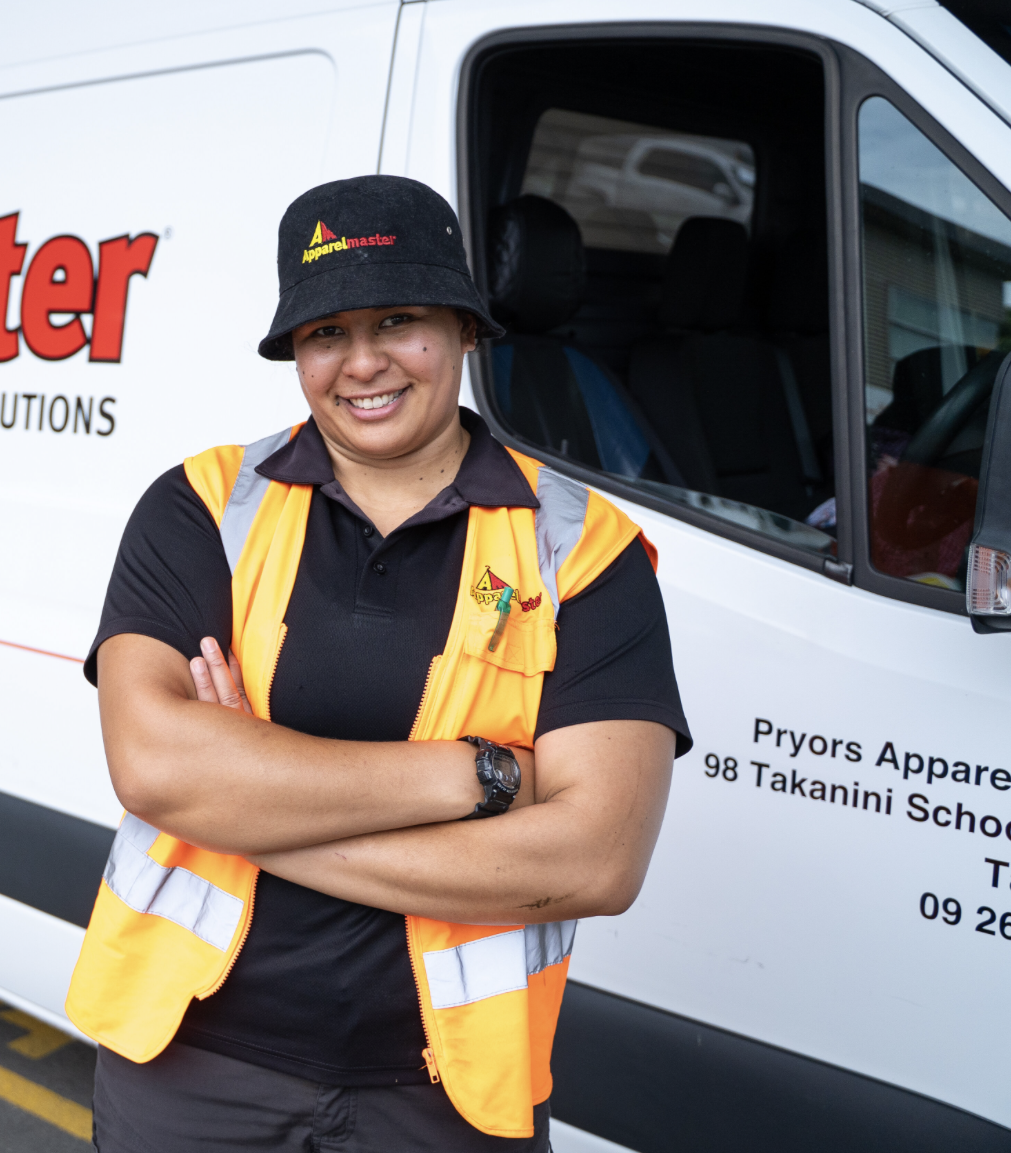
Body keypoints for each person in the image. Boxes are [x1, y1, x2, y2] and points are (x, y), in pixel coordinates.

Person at [68, 175, 689, 1152]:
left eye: (397, 320)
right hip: (191, 1071)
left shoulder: (583, 549)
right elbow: (153, 768)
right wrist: (481, 774)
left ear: (464, 331)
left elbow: (596, 858)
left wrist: (248, 797)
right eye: (324, 334)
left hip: (442, 1095)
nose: (360, 363)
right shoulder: (202, 506)